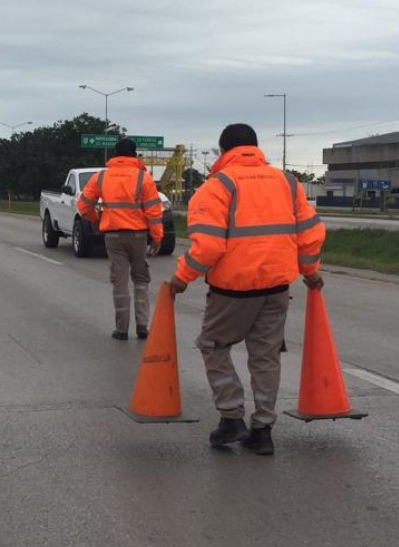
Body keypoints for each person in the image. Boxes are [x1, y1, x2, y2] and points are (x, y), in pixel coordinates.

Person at [168, 123, 325, 454]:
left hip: (233, 291)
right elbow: (310, 234)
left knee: (213, 346)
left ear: (224, 151)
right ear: (256, 148)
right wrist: (310, 272)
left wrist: (181, 278)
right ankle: (263, 430)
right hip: (277, 287)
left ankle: (231, 418)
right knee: (266, 357)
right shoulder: (287, 182)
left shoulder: (217, 186)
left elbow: (208, 246)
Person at [77, 137, 164, 340]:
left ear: (115, 154)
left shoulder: (101, 177)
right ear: (135, 155)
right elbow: (153, 211)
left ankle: (122, 329)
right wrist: (157, 236)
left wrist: (96, 219)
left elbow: (83, 206)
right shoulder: (144, 178)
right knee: (141, 279)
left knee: (120, 282)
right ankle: (142, 326)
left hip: (113, 236)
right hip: (138, 236)